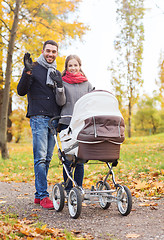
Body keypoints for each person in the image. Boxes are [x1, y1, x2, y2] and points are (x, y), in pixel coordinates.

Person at [17, 40, 66, 209]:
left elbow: (60, 101)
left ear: (56, 53)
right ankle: (44, 195)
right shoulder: (34, 68)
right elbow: (21, 91)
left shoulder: (56, 72)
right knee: (40, 158)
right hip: (38, 117)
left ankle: (39, 195)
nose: (50, 54)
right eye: (48, 51)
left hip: (53, 120)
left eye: (54, 51)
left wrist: (59, 84)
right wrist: (27, 71)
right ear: (43, 51)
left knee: (47, 158)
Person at [50, 54, 94, 194]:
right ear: (66, 67)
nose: (73, 68)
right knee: (68, 158)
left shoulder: (87, 84)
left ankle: (79, 188)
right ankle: (68, 189)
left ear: (80, 66)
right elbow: (60, 102)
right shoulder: (63, 81)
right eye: (70, 65)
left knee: (80, 158)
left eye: (76, 65)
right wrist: (60, 87)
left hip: (82, 125)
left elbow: (91, 103)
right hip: (67, 123)